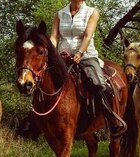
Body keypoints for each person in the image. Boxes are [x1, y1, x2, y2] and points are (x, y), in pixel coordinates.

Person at [50, 0, 126, 138]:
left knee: (101, 85)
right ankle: (32, 123)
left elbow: (87, 36)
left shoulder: (92, 12)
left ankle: (112, 120)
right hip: (62, 58)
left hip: (86, 56)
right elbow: (54, 37)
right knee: (42, 80)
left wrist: (79, 53)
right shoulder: (59, 14)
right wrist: (51, 52)